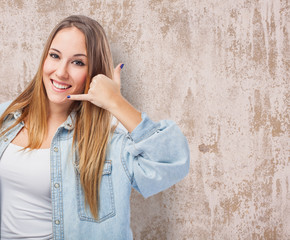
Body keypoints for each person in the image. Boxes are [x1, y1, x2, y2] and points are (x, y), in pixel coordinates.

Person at [0, 15, 190, 240]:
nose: (61, 72)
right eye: (55, 56)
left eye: (78, 62)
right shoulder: (7, 117)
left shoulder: (110, 140)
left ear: (95, 73)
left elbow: (172, 161)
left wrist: (116, 103)